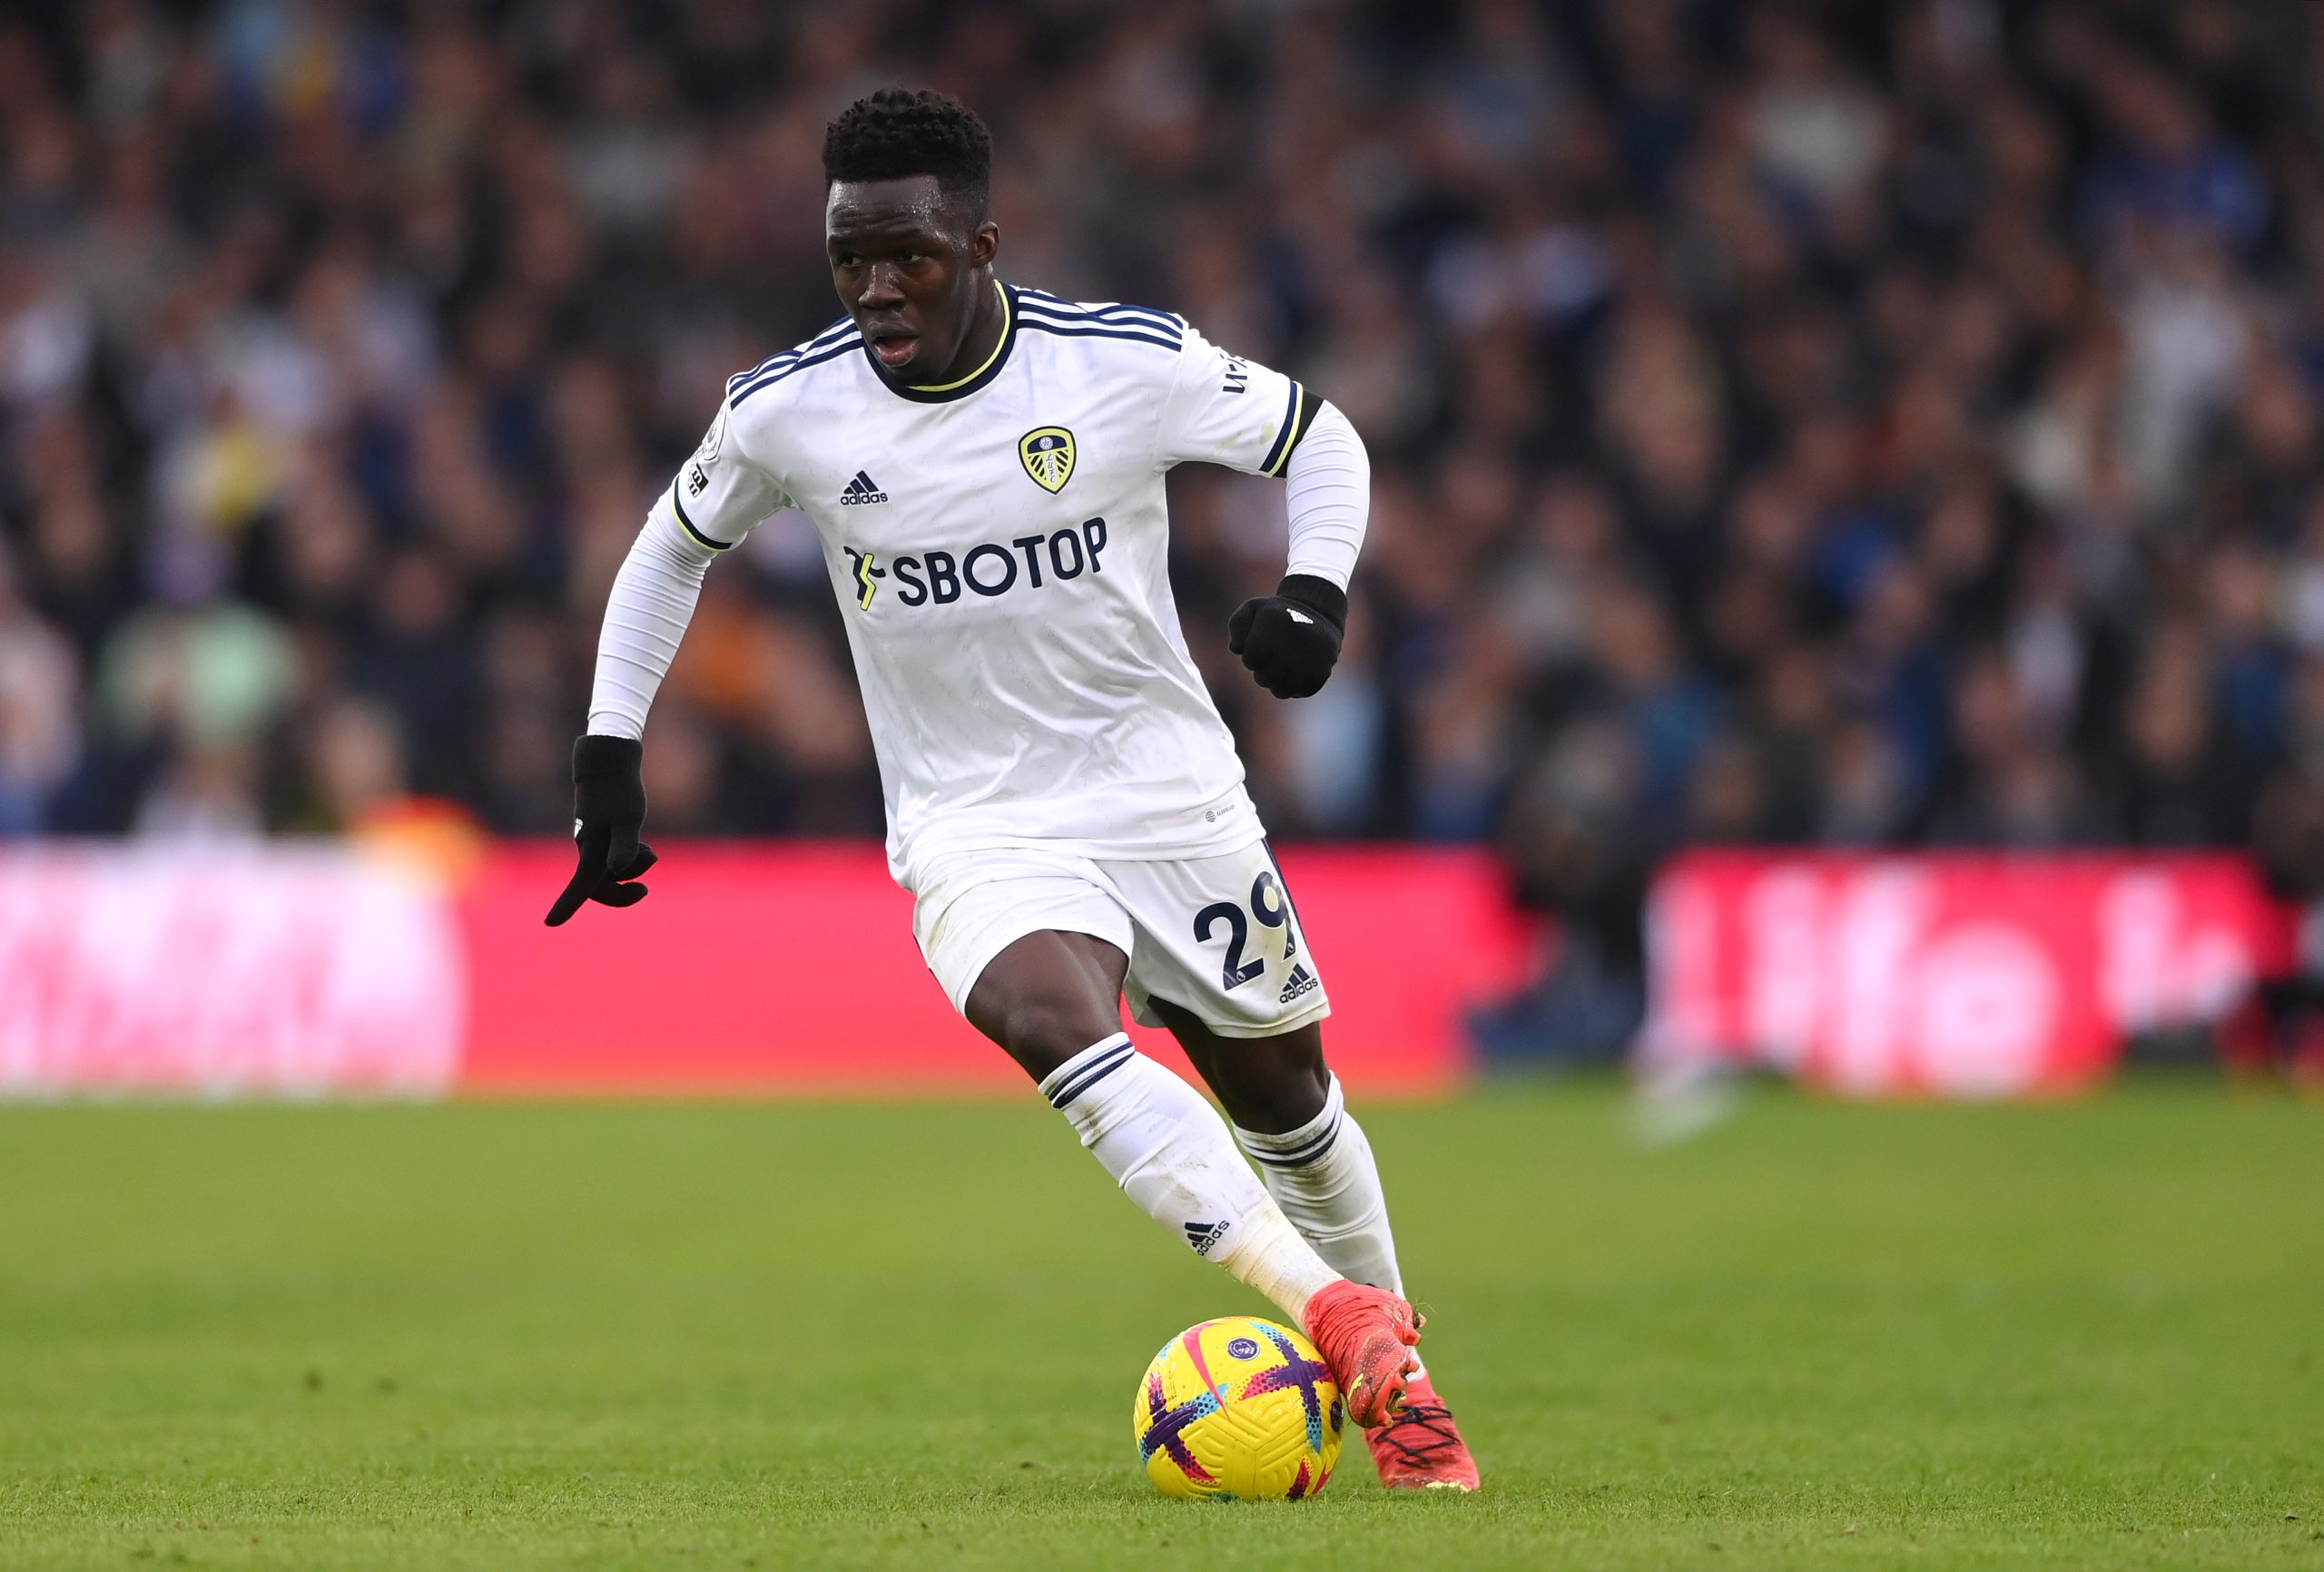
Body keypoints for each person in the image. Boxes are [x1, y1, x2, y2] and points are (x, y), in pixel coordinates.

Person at [547, 88, 1478, 1491]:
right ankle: (1343, 1328)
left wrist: (1316, 594)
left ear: (981, 241)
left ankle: (1407, 1366)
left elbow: (1322, 438)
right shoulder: (788, 410)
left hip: (1168, 798)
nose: (875, 286)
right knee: (1047, 1018)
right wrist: (611, 748)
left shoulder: (1119, 367)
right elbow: (670, 548)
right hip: (976, 822)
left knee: (1287, 1102)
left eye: (907, 253)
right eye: (849, 255)